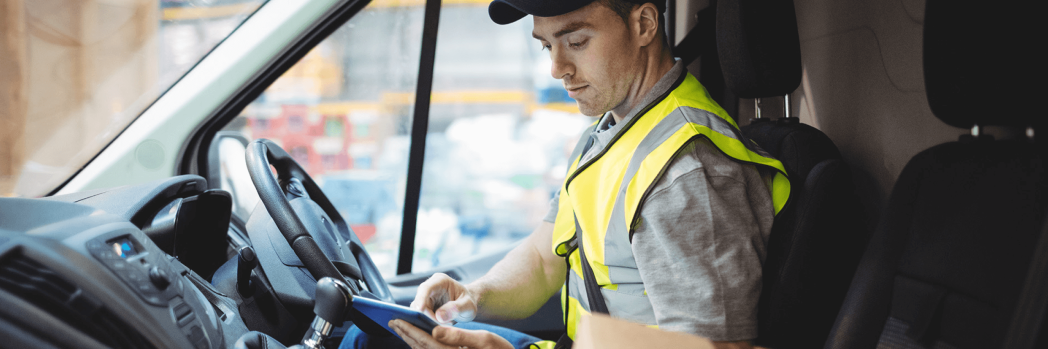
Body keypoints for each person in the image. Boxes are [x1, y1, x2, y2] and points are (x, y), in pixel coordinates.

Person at [340, 0, 790, 348]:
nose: (557, 68)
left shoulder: (688, 174)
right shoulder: (615, 130)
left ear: (644, 25)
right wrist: (471, 297)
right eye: (546, 45)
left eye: (576, 42)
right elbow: (542, 257)